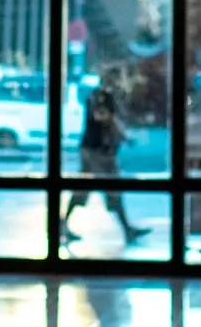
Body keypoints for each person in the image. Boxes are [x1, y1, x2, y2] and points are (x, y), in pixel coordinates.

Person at [62, 84, 150, 245]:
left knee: (85, 189)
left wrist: (122, 135)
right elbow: (103, 117)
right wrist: (121, 134)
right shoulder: (100, 97)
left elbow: (107, 119)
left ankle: (62, 226)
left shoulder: (100, 96)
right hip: (98, 152)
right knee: (111, 188)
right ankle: (127, 229)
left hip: (94, 150)